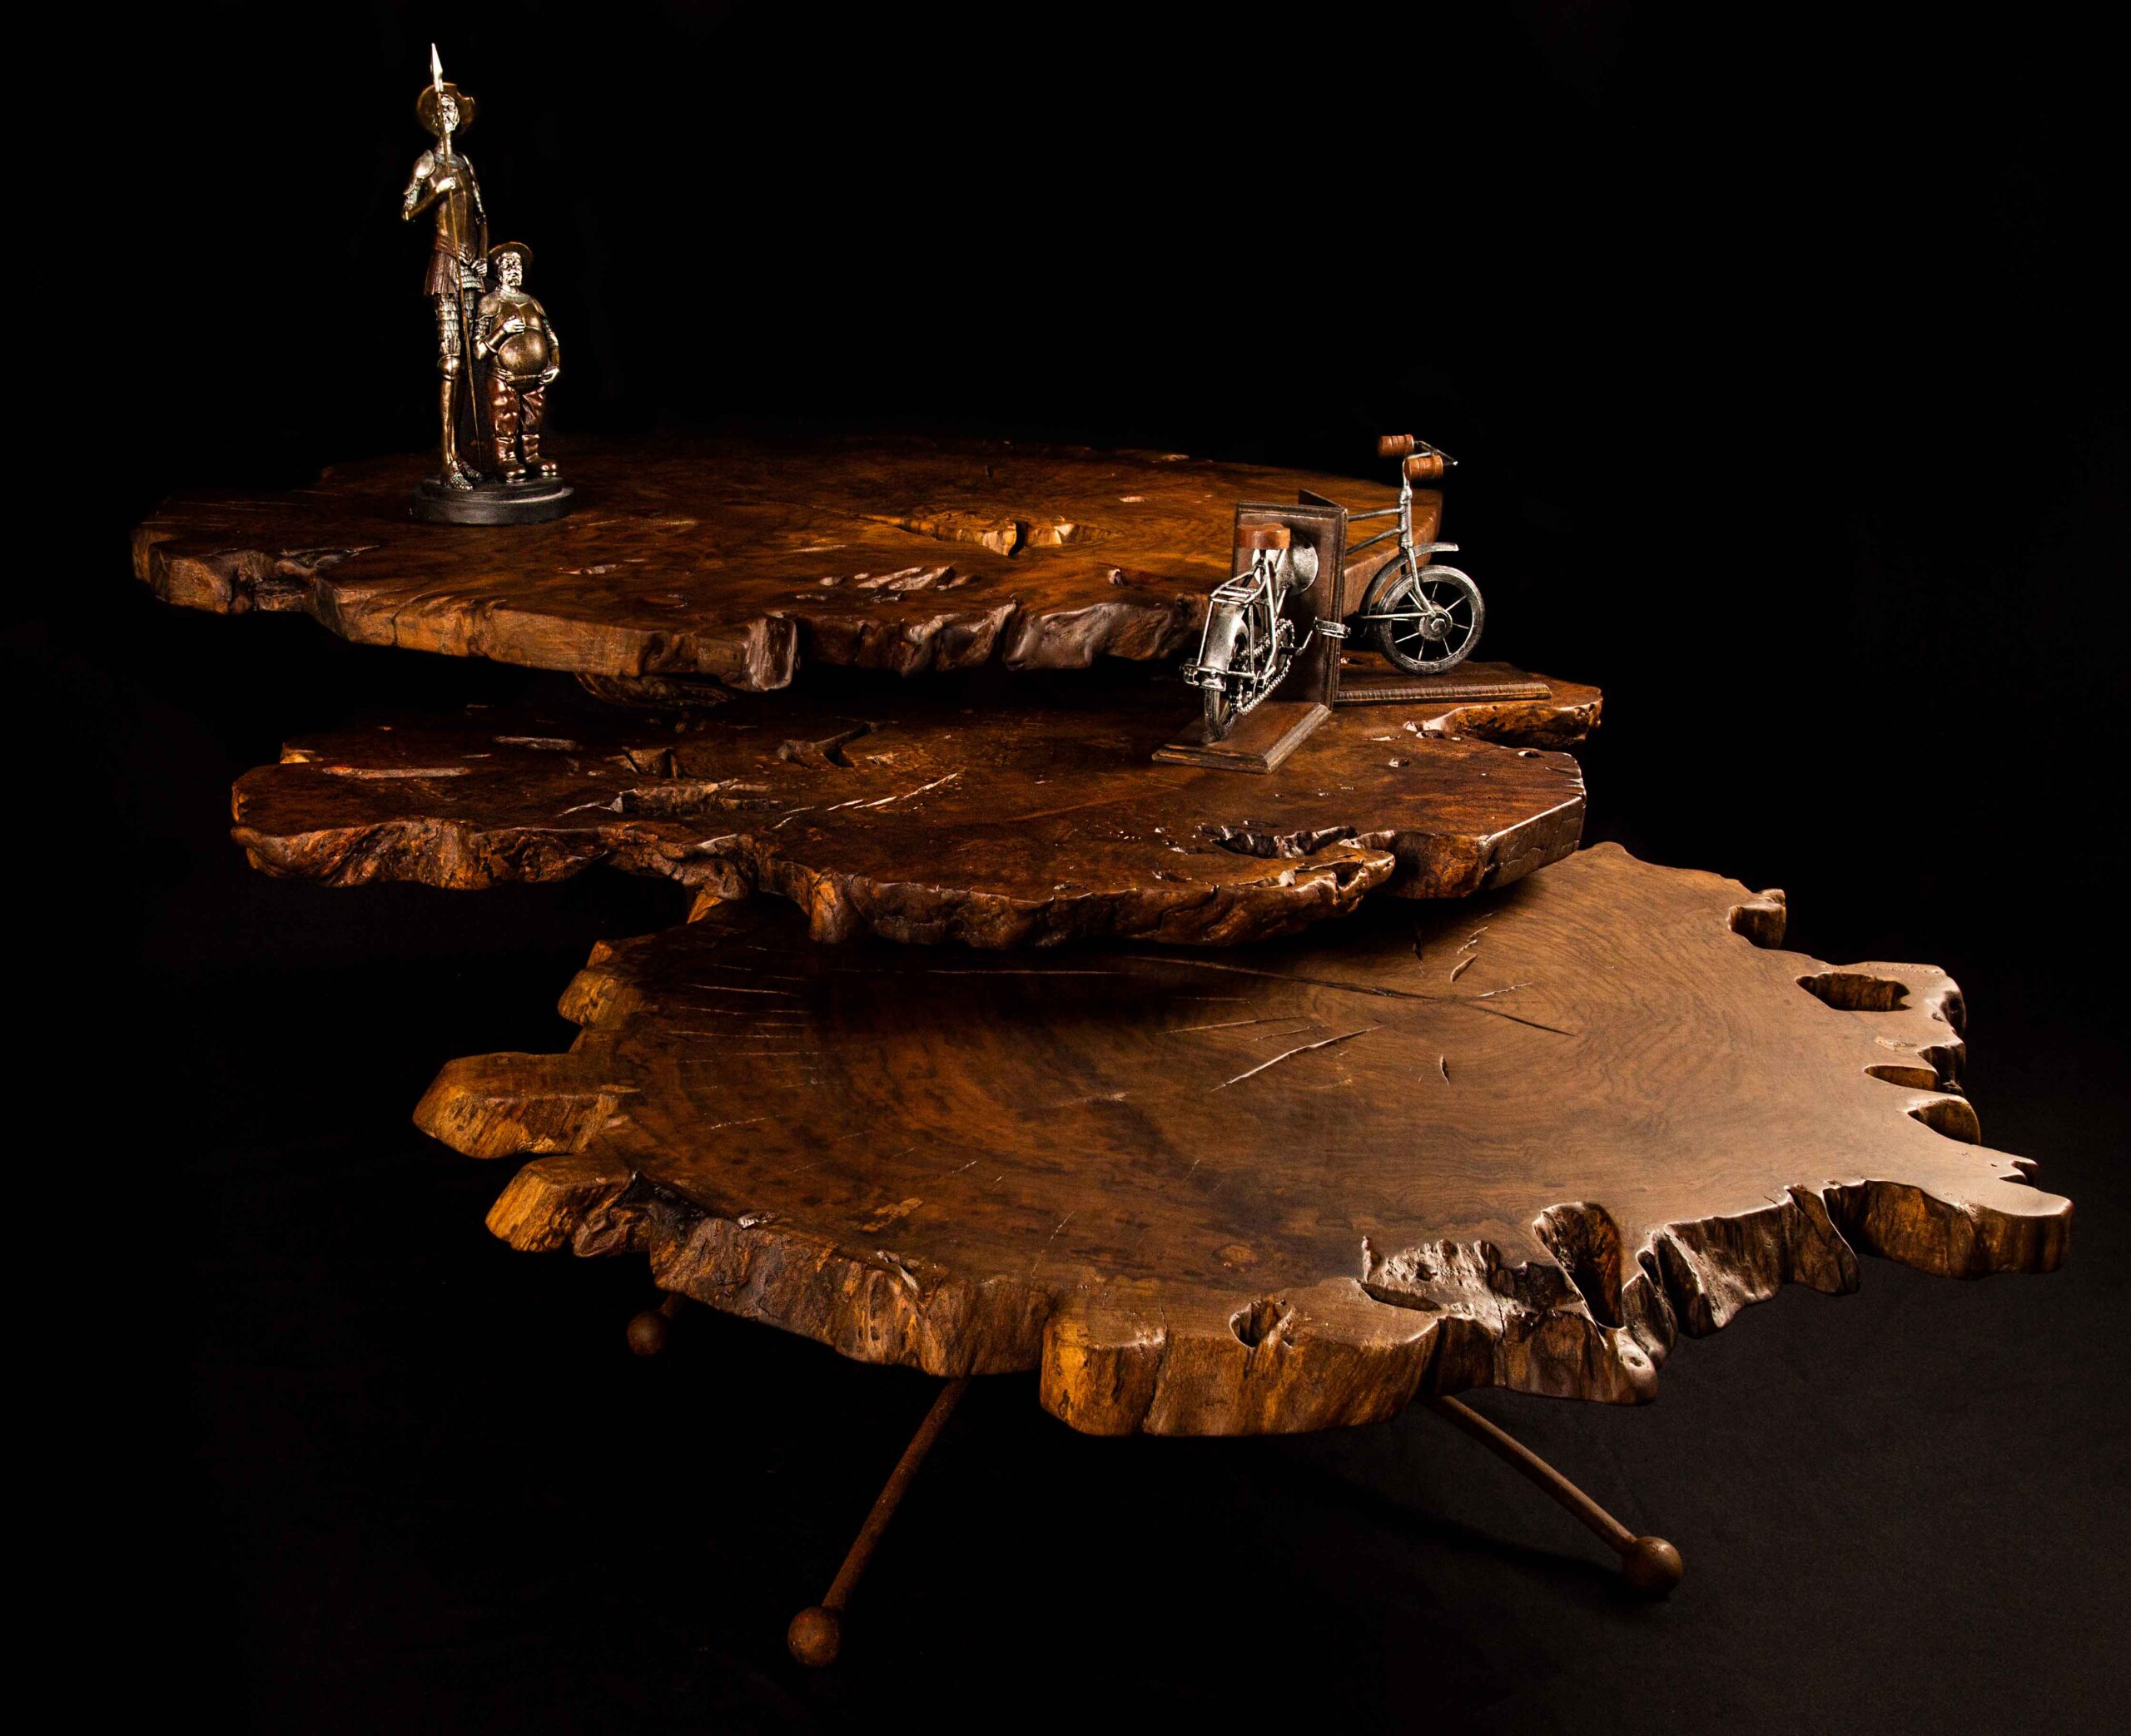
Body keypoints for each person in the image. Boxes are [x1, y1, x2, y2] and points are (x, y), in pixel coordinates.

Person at [400, 78, 487, 487]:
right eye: (443, 110)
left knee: (470, 360)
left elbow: (481, 217)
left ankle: (463, 453)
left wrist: (482, 256)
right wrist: (436, 191)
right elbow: (406, 210)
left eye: (453, 109)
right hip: (445, 262)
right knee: (450, 362)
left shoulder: (466, 162)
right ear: (434, 119)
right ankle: (448, 459)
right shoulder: (427, 161)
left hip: (470, 266)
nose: (449, 115)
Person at [472, 243, 561, 484]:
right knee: (505, 418)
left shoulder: (533, 303)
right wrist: (503, 331)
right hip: (504, 377)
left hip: (536, 378)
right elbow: (478, 350)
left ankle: (531, 456)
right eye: (508, 264)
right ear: (498, 270)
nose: (514, 268)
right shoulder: (489, 303)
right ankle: (505, 459)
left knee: (533, 420)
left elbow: (551, 339)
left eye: (518, 264)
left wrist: (554, 364)